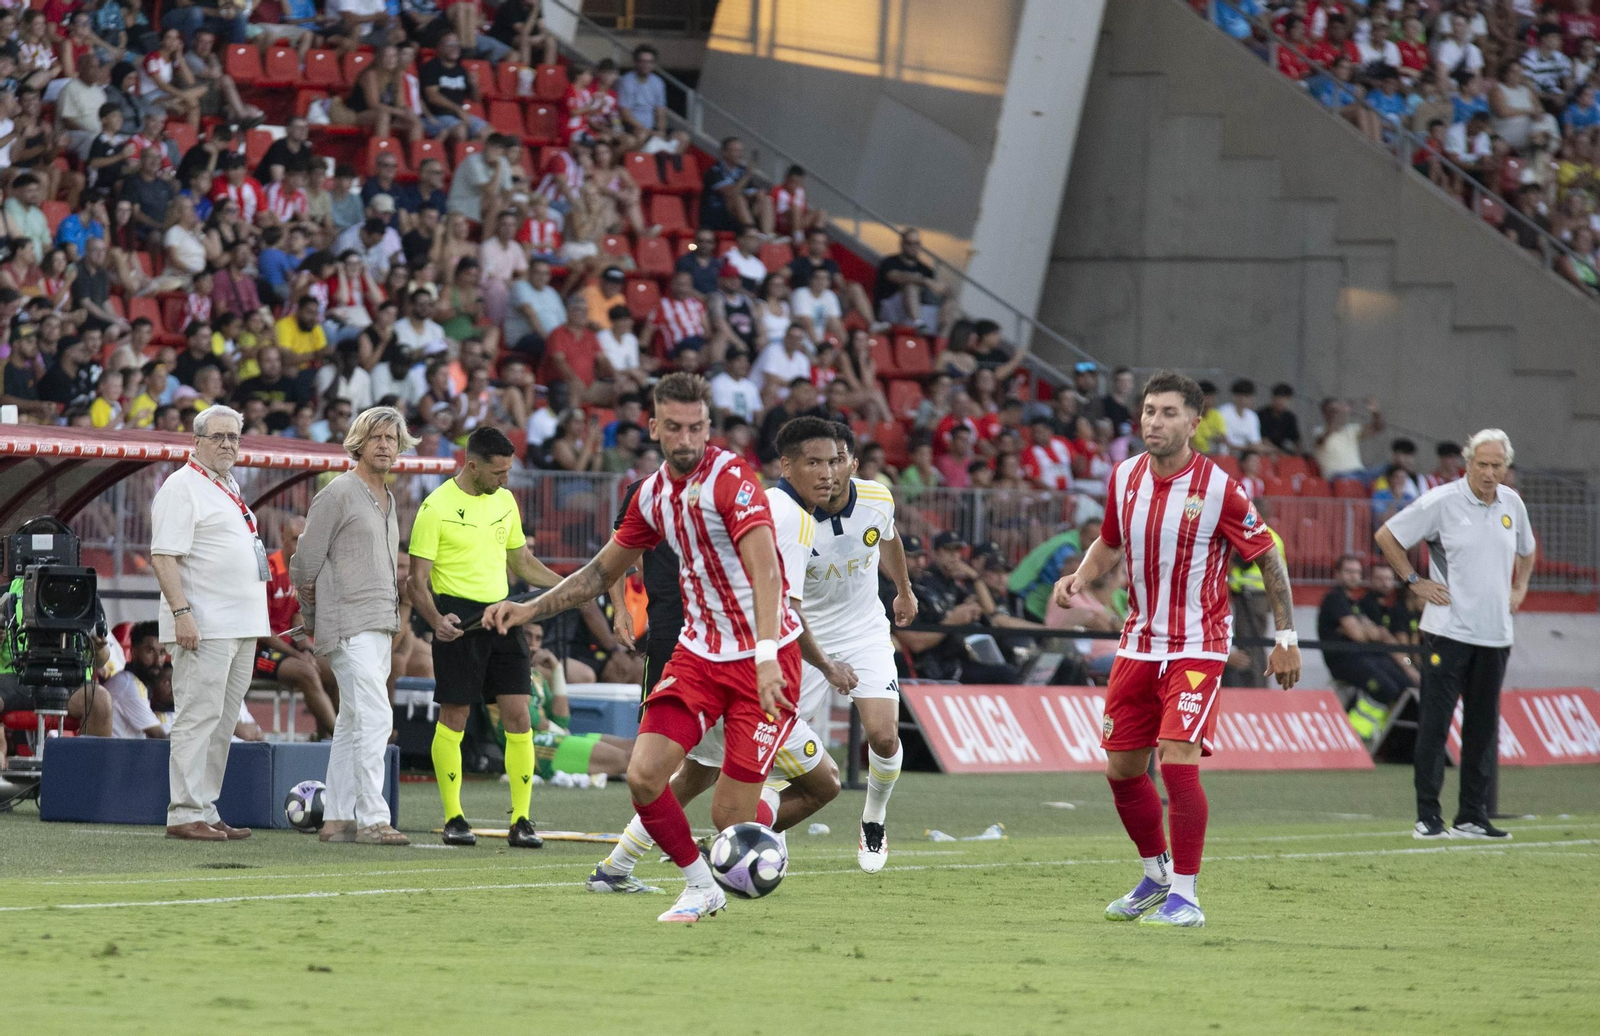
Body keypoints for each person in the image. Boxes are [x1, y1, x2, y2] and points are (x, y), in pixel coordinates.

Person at [483, 373, 804, 924]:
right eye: (674, 428)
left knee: (731, 813)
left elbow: (766, 569)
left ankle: (742, 862)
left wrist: (769, 652)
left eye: (697, 428)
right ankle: (701, 887)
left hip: (763, 660)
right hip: (699, 653)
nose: (686, 440)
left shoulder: (733, 479)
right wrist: (529, 607)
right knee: (643, 773)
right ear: (653, 427)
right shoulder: (652, 495)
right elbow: (596, 575)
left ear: (709, 426)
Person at [1052, 371, 1300, 927]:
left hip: (1198, 644)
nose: (1154, 422)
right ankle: (1156, 875)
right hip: (1137, 644)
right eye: (1148, 411)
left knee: (1178, 762)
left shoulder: (1220, 488)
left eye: (1167, 413)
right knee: (1121, 770)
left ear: (1194, 422)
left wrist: (1286, 638)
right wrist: (1079, 577)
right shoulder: (1124, 477)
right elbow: (1110, 542)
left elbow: (1268, 556)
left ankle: (1186, 896)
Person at [588, 417, 855, 891]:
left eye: (835, 462)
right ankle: (737, 848)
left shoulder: (756, 504)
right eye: (816, 462)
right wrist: (821, 664)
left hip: (709, 656)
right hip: (730, 665)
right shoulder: (782, 515)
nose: (830, 473)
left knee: (691, 773)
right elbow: (779, 604)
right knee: (824, 782)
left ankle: (619, 866)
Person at [1375, 429, 1536, 842]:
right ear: (1468, 463)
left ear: (1506, 467)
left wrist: (1519, 588)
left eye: (1496, 465)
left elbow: (1527, 548)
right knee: (1435, 724)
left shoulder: (1512, 504)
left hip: (1495, 634)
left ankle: (1472, 817)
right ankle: (1428, 817)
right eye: (1481, 464)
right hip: (1447, 633)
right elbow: (1387, 535)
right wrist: (1414, 580)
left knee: (1482, 728)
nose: (1488, 472)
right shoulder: (1442, 502)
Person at [407, 427, 564, 848]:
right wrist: (437, 620)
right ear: (472, 465)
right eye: (499, 472)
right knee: (454, 717)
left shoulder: (505, 501)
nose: (506, 480)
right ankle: (454, 817)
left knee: (519, 715)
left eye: (509, 471)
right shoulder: (435, 508)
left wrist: (571, 586)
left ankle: (523, 820)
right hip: (459, 621)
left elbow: (523, 562)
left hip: (504, 616)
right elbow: (416, 582)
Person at [293, 407, 416, 846]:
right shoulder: (339, 492)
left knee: (351, 720)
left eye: (392, 439)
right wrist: (313, 614)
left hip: (379, 622)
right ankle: (373, 819)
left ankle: (337, 819)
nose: (385, 445)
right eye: (376, 437)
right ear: (357, 443)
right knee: (375, 715)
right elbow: (304, 560)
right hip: (349, 621)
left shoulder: (386, 497)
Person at [148, 405, 270, 841]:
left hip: (239, 625)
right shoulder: (182, 486)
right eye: (217, 436)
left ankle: (205, 806)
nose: (226, 444)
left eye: (233, 437)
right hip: (205, 623)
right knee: (198, 717)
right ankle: (183, 812)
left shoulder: (227, 485)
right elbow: (164, 555)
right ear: (196, 441)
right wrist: (182, 613)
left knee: (221, 721)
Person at [255, 515, 339, 739]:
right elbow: (260, 628)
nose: (301, 546)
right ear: (283, 538)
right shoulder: (268, 570)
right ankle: (342, 740)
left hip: (286, 650)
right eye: (295, 539)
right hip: (258, 653)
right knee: (307, 671)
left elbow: (296, 617)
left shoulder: (302, 570)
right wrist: (297, 654)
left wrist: (306, 649)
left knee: (338, 669)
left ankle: (325, 740)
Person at [1317, 555, 1417, 737]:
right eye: (1348, 571)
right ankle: (1355, 732)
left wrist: (1368, 632)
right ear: (1337, 574)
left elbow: (1379, 635)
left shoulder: (1354, 604)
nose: (1354, 576)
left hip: (1365, 657)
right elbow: (1359, 635)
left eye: (1357, 572)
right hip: (1343, 661)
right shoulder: (1334, 599)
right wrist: (1369, 632)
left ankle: (1383, 735)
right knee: (1386, 688)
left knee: (1406, 685)